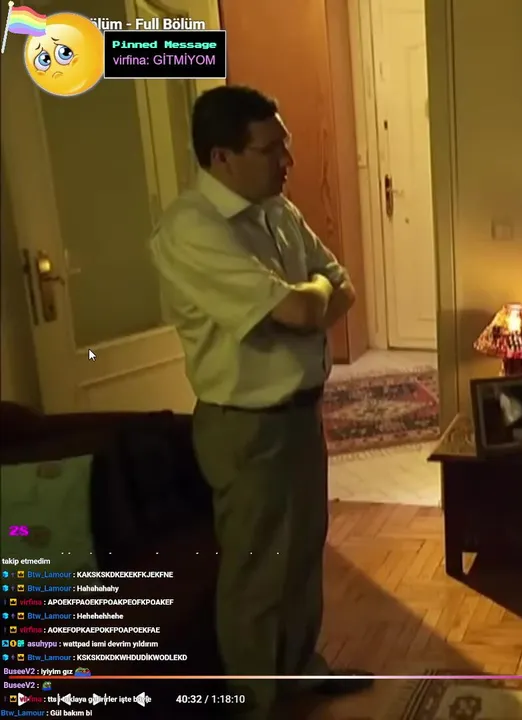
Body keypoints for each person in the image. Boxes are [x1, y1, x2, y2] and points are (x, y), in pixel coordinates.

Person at [148, 85, 368, 718]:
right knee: (257, 575)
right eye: (271, 149)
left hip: (299, 416)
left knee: (301, 557)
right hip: (246, 426)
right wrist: (309, 299)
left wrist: (308, 298)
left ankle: (298, 672)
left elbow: (340, 287)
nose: (287, 161)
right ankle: (256, 704)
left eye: (285, 146)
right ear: (222, 157)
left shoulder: (277, 211)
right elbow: (305, 309)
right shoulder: (193, 228)